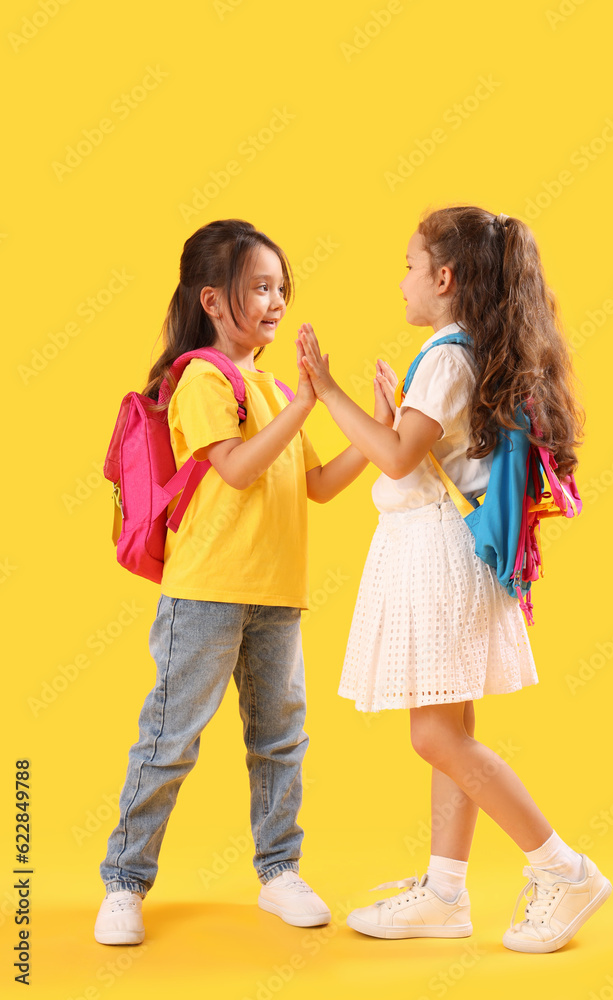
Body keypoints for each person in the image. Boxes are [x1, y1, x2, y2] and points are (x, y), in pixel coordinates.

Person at [297, 205, 612, 954]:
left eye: (409, 265)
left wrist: (328, 389)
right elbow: (385, 454)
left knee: (435, 736)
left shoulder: (444, 355)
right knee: (452, 731)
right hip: (445, 554)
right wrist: (373, 413)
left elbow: (398, 458)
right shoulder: (461, 353)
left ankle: (560, 867)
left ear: (443, 278)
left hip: (434, 558)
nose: (400, 280)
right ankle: (444, 892)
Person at [94, 219, 379, 945]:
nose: (277, 301)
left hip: (278, 594)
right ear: (214, 301)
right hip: (206, 593)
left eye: (282, 287)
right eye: (261, 287)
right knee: (169, 739)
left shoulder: (274, 384)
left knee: (281, 740)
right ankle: (123, 883)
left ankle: (279, 870)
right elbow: (237, 467)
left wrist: (375, 430)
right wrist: (307, 405)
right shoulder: (200, 376)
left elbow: (314, 483)